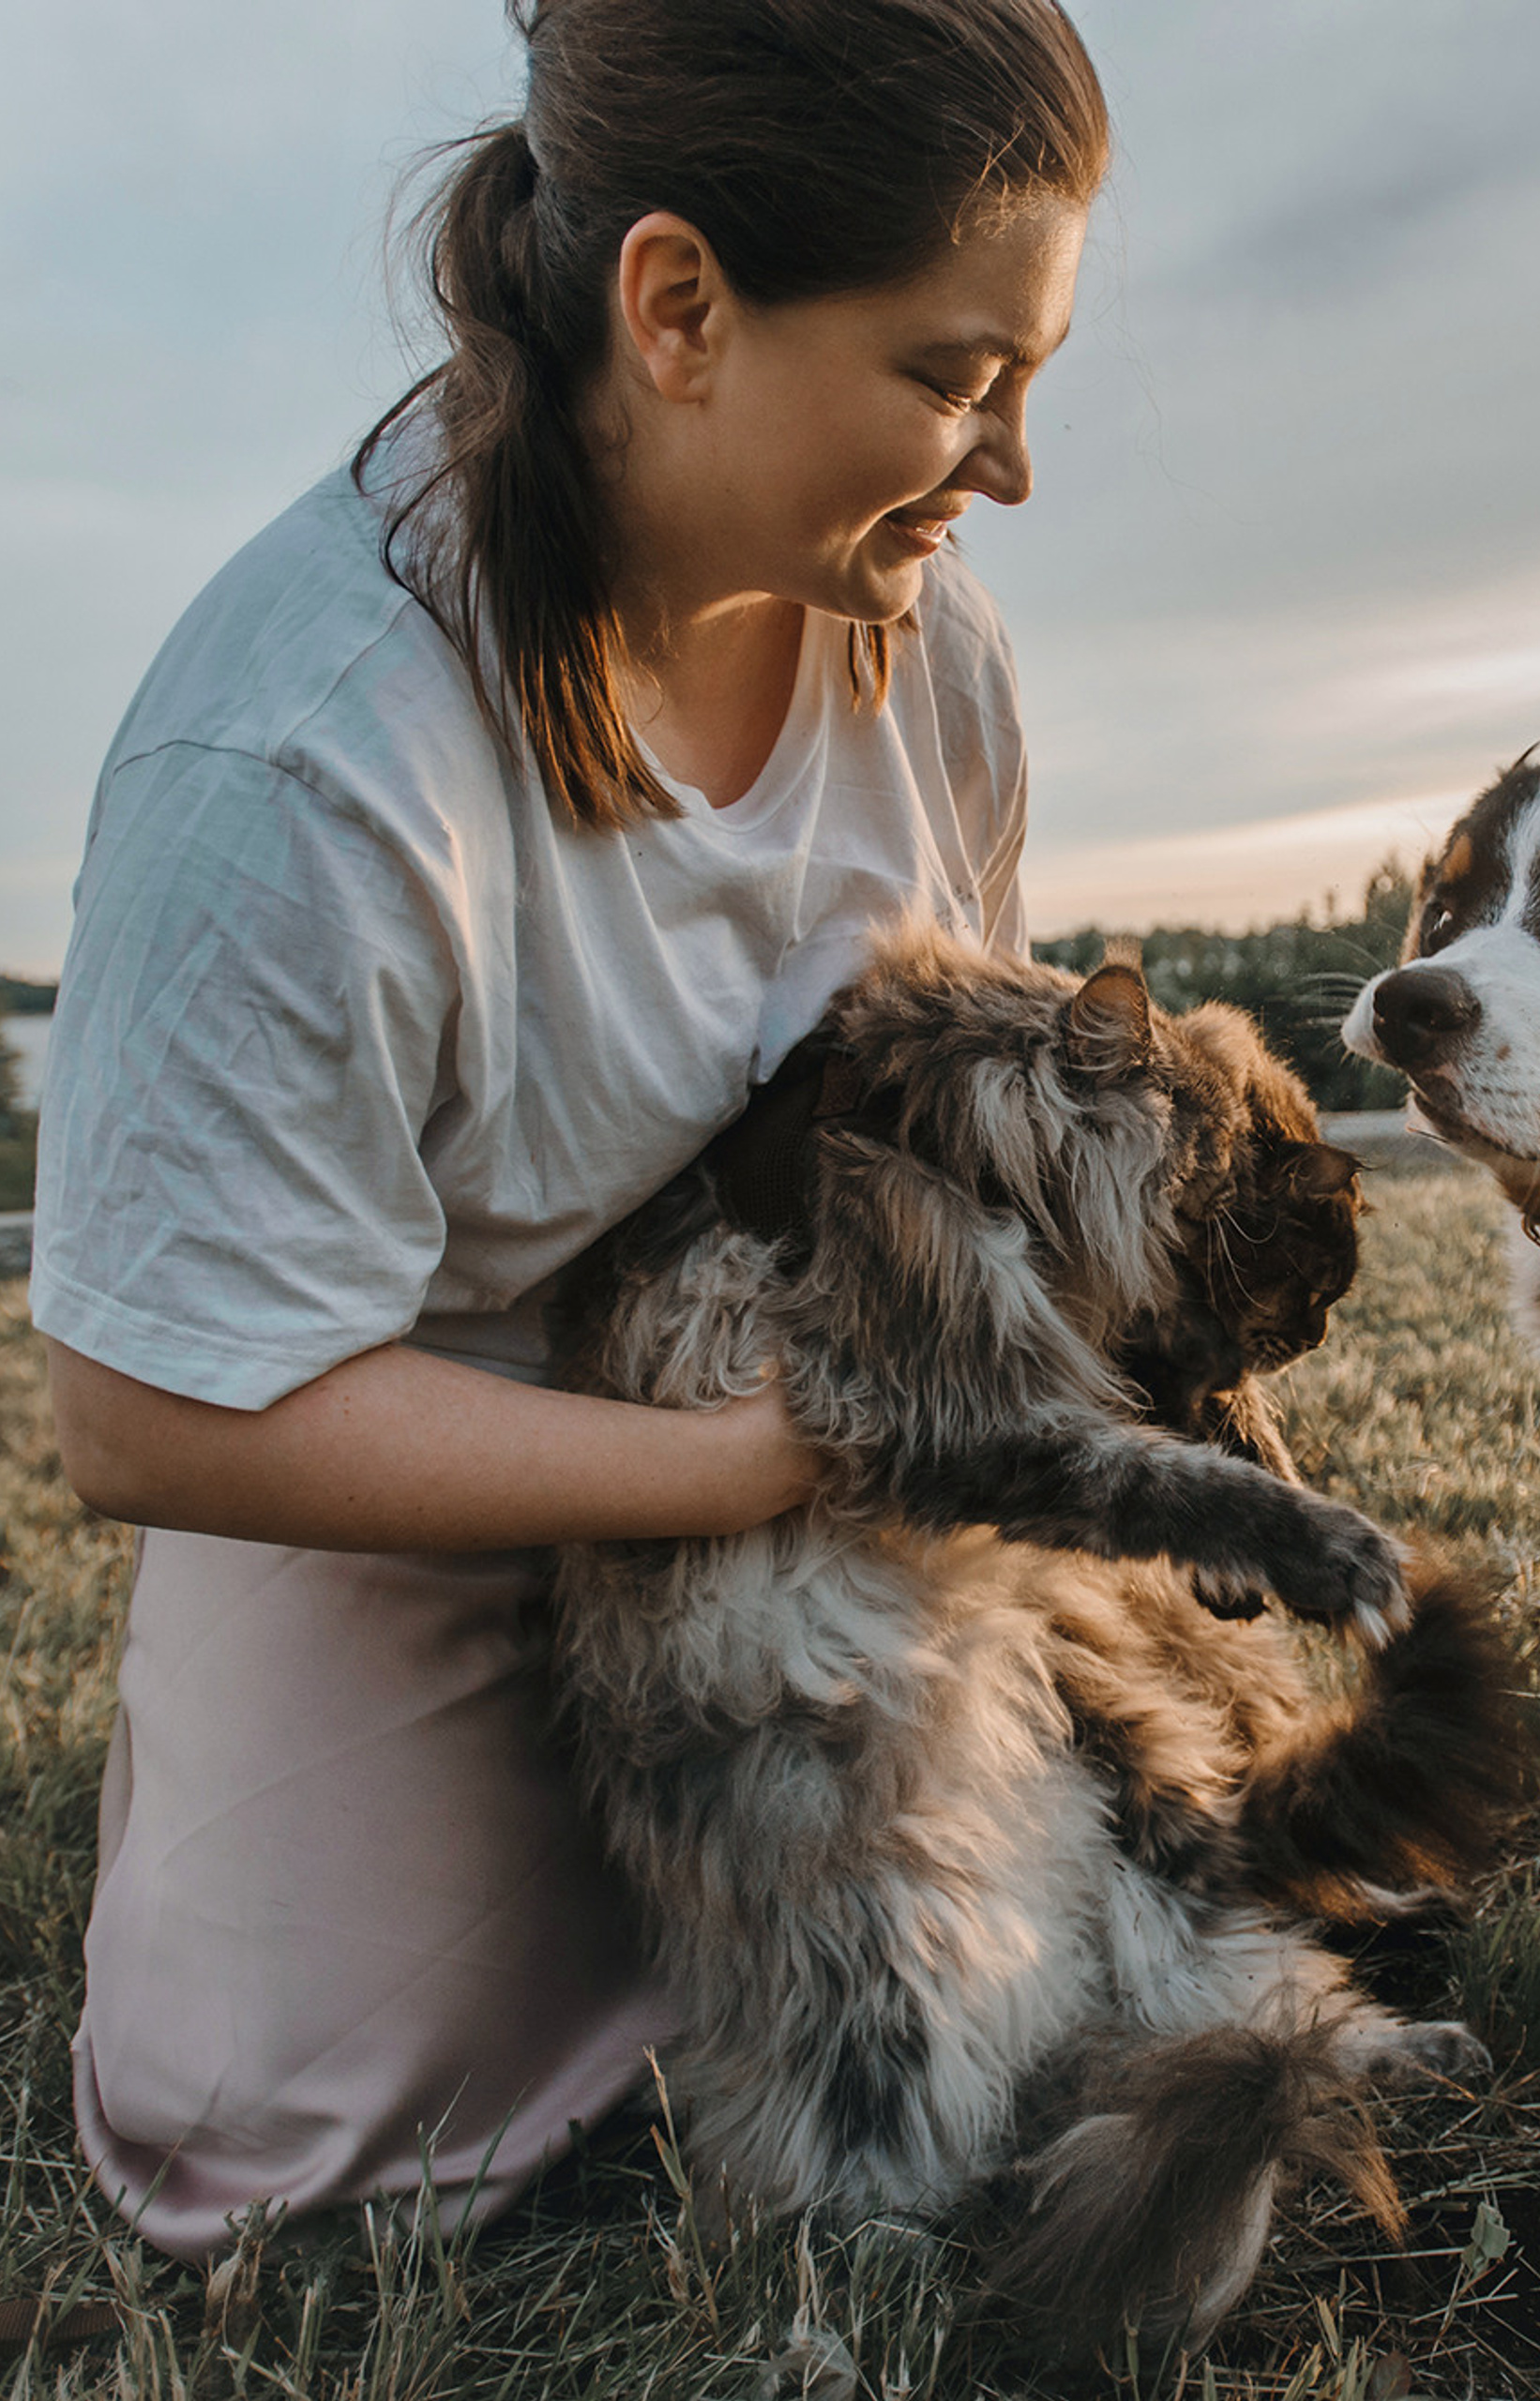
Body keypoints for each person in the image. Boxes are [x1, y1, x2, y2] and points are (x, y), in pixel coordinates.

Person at [32, 0, 1108, 2261]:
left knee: (1084, 1971)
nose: (1005, 464)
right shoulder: (298, 759)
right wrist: (747, 1466)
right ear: (678, 304)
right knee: (306, 2162)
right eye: (950, 376)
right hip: (418, 1463)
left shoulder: (940, 662)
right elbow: (141, 1406)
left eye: (1026, 375)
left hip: (808, 1447)